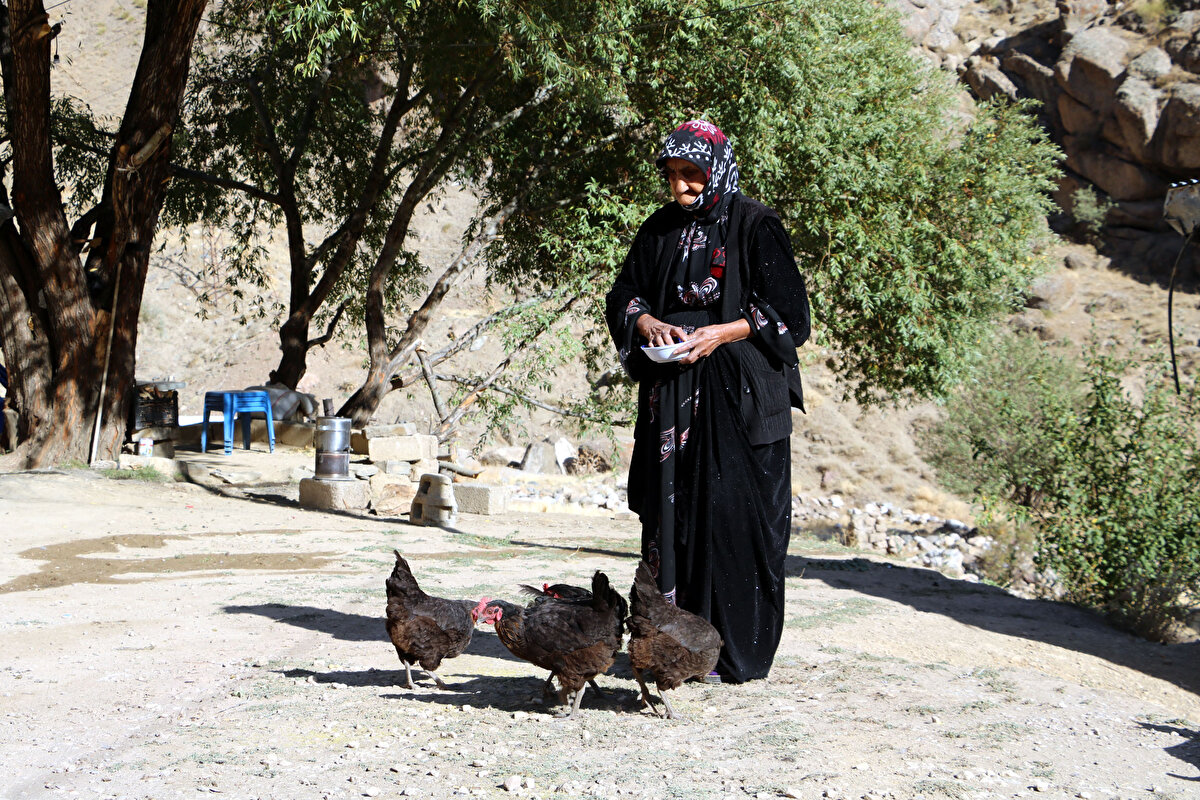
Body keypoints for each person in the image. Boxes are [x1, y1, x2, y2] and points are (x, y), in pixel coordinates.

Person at [605, 120, 810, 684]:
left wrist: (720, 333)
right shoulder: (658, 230)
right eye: (672, 175)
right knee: (673, 520)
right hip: (673, 399)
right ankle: (669, 648)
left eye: (690, 174)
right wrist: (645, 322)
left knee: (731, 520)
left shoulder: (756, 225)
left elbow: (792, 316)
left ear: (715, 168)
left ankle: (734, 653)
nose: (680, 187)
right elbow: (624, 293)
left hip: (739, 402)